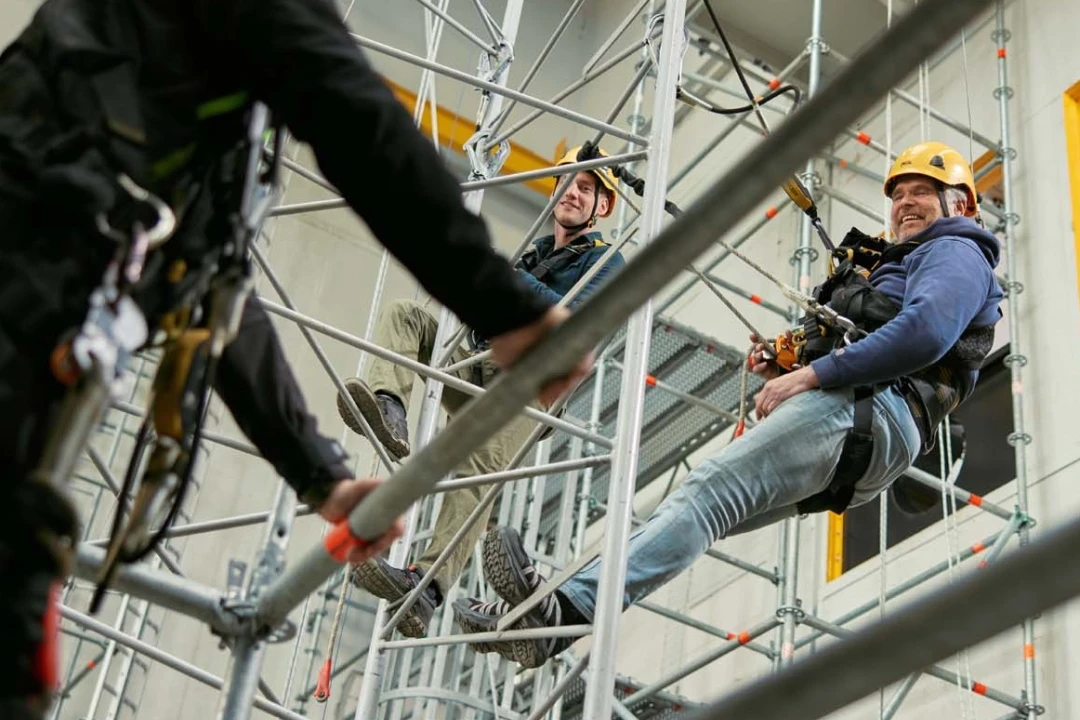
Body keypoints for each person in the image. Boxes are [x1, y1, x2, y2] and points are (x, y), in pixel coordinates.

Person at [0, 1, 592, 717]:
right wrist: (502, 305)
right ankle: (394, 412)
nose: (574, 196)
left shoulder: (197, 119)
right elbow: (353, 119)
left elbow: (215, 290)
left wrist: (321, 476)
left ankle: (430, 569)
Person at [451, 140, 1005, 668]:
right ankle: (549, 617)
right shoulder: (908, 263)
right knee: (704, 509)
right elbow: (894, 332)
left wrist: (812, 374)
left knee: (705, 490)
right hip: (871, 433)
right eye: (898, 194)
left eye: (921, 193)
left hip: (870, 409)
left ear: (958, 204)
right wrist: (788, 365)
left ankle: (562, 610)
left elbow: (925, 334)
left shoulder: (955, 249)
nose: (905, 204)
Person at [341, 144, 627, 637]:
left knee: (479, 469)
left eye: (586, 188)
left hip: (530, 386)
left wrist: (505, 280)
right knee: (406, 318)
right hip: (478, 361)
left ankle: (426, 589)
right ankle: (389, 409)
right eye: (567, 183)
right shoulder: (534, 255)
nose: (572, 193)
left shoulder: (606, 261)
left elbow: (575, 321)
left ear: (603, 206)